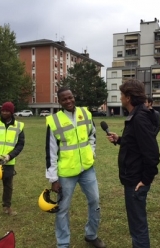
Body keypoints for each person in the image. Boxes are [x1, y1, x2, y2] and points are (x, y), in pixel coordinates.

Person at [45, 87, 106, 248]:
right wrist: (53, 178)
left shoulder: (85, 113)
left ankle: (91, 235)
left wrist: (91, 153)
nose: (69, 101)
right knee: (62, 209)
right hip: (66, 173)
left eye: (70, 97)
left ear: (74, 97)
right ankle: (63, 243)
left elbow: (92, 135)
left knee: (95, 201)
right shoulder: (54, 121)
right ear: (59, 101)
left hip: (87, 169)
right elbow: (50, 151)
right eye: (64, 99)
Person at [106, 79, 160, 248]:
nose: (120, 98)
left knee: (138, 226)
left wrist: (145, 180)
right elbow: (136, 143)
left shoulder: (139, 118)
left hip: (136, 181)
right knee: (136, 224)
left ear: (128, 98)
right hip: (131, 177)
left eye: (122, 95)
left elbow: (152, 153)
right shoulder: (136, 115)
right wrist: (120, 139)